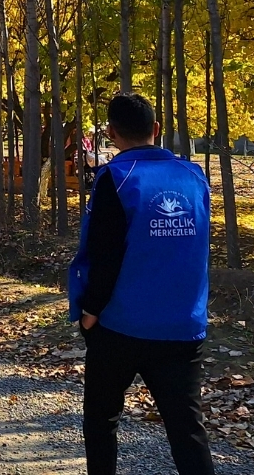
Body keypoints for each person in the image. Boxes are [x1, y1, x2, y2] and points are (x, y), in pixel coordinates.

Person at [68, 92, 214, 475]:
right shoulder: (194, 175)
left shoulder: (115, 178)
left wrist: (90, 311)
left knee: (102, 421)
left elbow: (105, 253)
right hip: (184, 328)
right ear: (156, 129)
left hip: (120, 326)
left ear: (112, 133)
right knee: (187, 429)